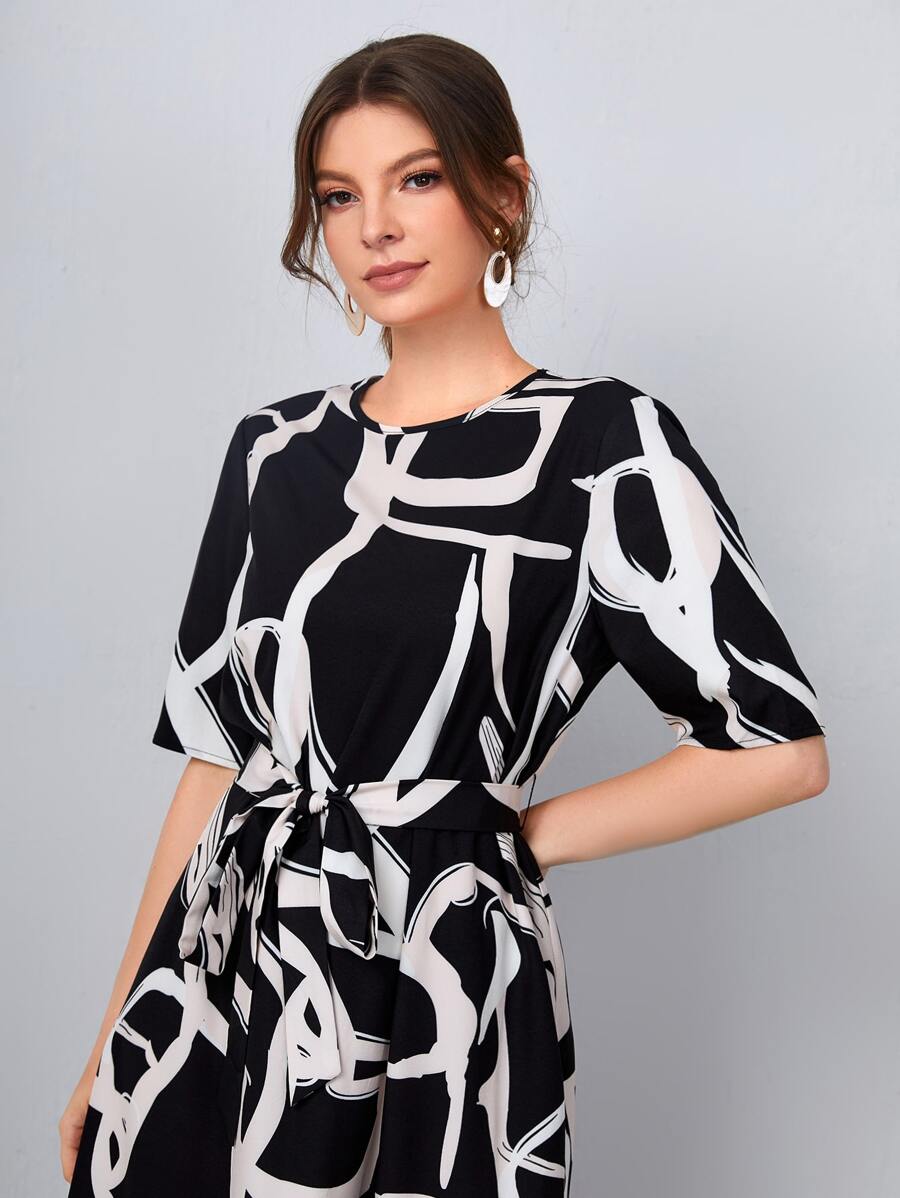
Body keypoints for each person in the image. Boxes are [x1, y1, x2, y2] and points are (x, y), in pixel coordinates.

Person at [60, 31, 829, 1197]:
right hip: (224, 984)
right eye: (339, 195)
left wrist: (504, 839)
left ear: (503, 194)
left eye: (415, 179)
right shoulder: (272, 451)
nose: (376, 225)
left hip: (441, 985)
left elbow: (779, 749)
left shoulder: (602, 445)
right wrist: (117, 1036)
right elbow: (215, 763)